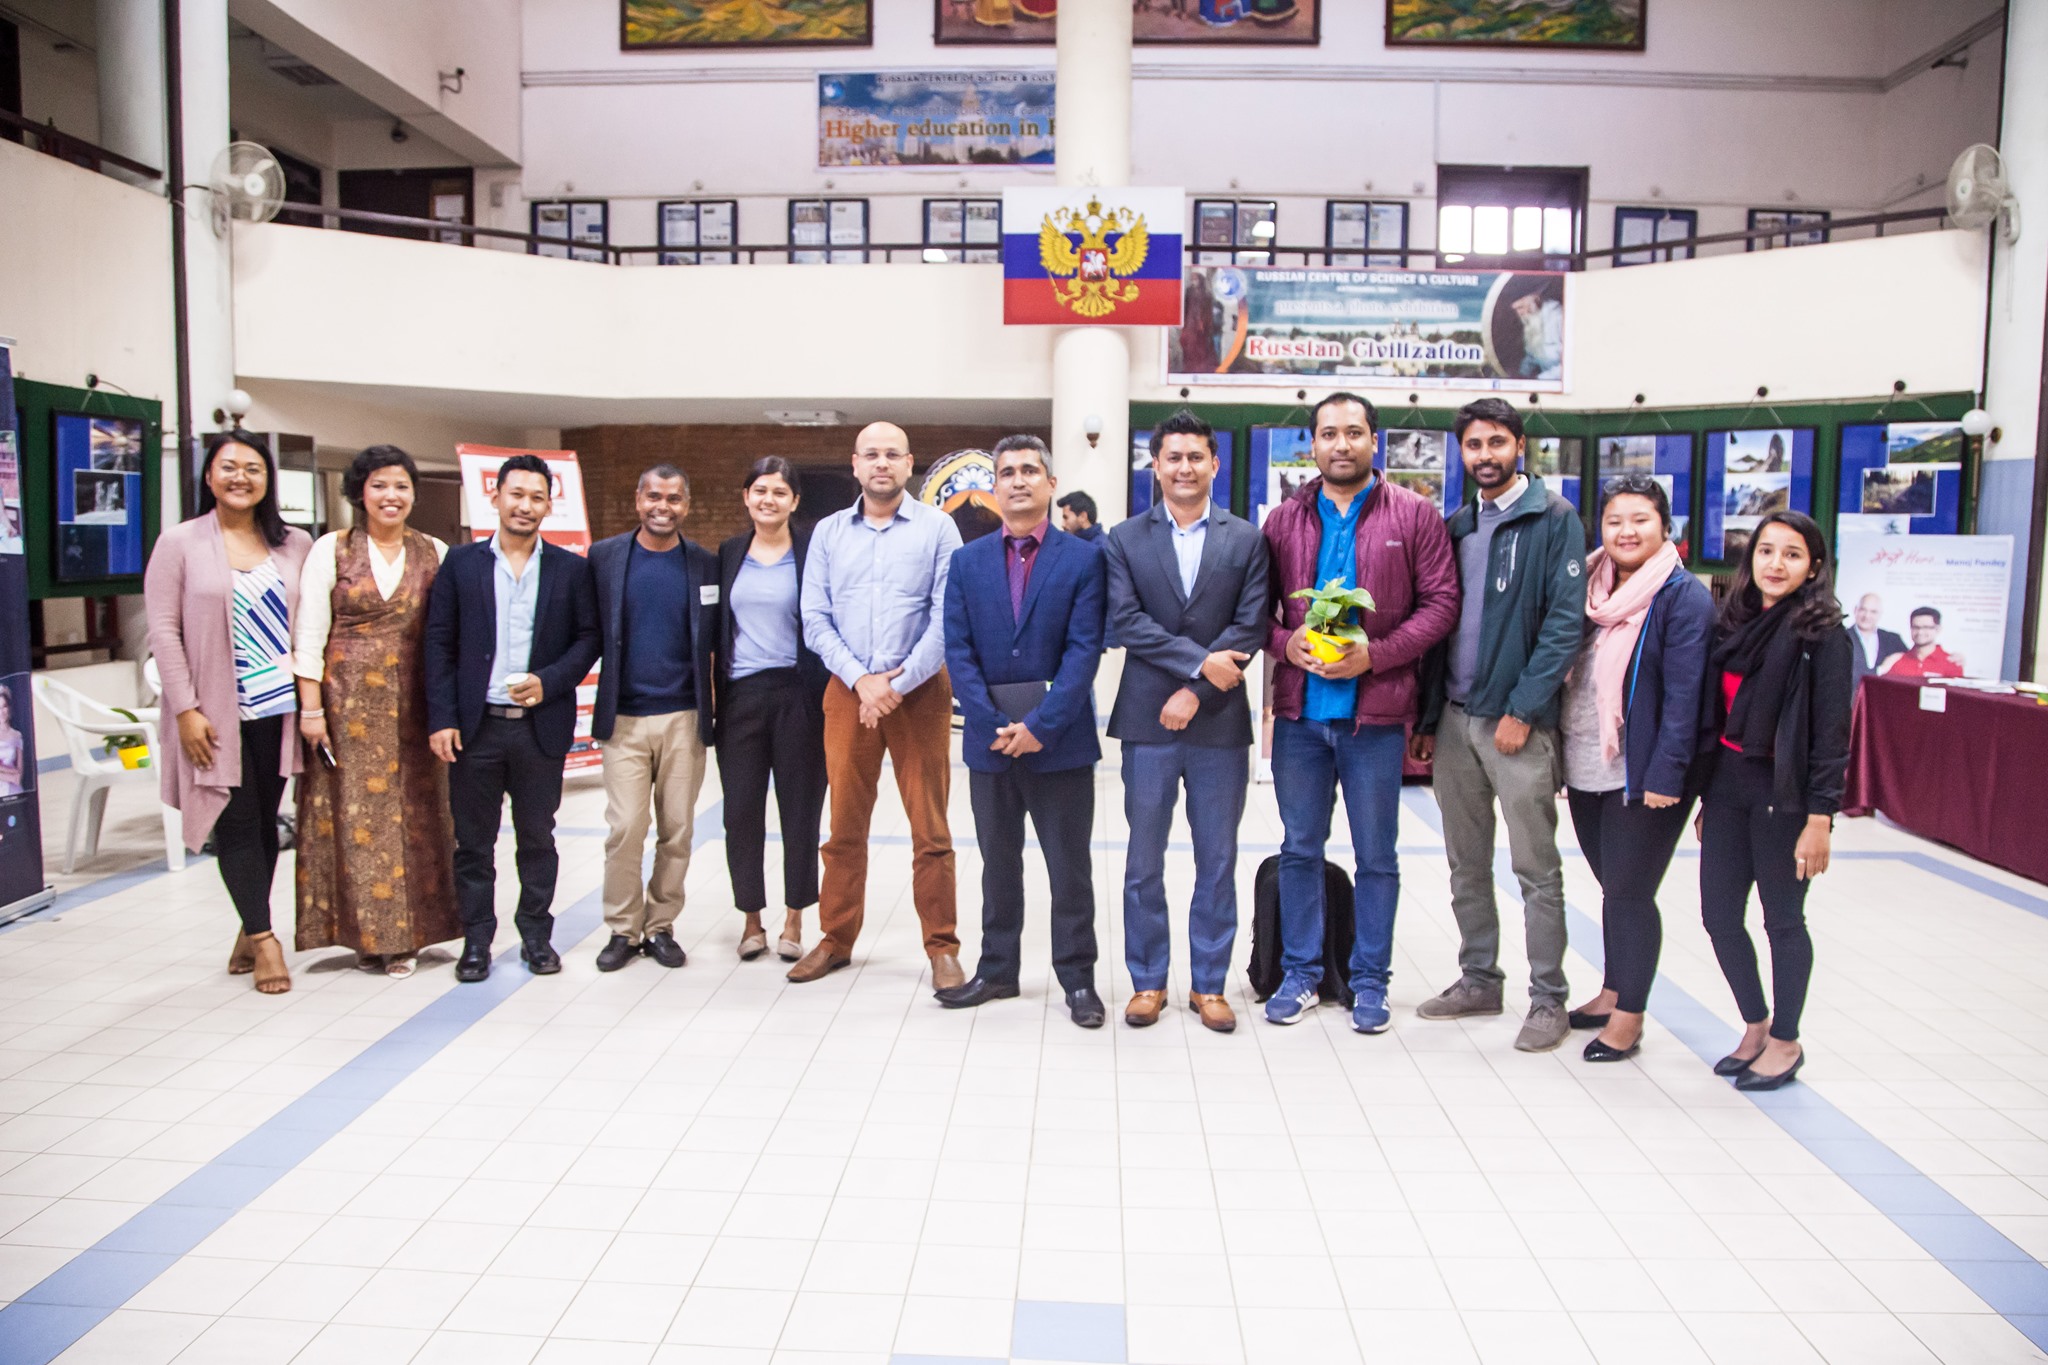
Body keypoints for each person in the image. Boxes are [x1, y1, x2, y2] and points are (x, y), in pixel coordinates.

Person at [1264, 393, 1459, 1032]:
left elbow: (1441, 604)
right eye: (1328, 434)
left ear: (1375, 441)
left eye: (1353, 432)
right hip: (1300, 718)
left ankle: (1371, 981)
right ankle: (1301, 973)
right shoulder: (1284, 520)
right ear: (1312, 445)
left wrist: (1375, 656)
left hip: (1374, 719)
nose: (1340, 444)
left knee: (1377, 855)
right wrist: (1284, 643)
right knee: (1299, 849)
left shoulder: (1415, 514)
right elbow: (1255, 612)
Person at [1413, 397, 1587, 1052]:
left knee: (1535, 867)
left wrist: (1522, 709)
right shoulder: (1458, 526)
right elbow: (1440, 624)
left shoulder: (1554, 519)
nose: (1485, 455)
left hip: (1516, 725)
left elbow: (1564, 625)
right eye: (1473, 445)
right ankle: (1479, 979)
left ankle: (1548, 998)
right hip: (1456, 721)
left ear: (1519, 444)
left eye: (1496, 442)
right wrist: (1430, 717)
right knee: (1465, 862)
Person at [1107, 408, 1270, 1032]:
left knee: (1217, 859)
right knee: (1143, 860)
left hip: (1219, 724)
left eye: (1195, 456)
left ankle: (1209, 984)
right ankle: (1147, 981)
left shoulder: (1246, 539)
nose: (1184, 467)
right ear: (1156, 466)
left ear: (1214, 464)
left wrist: (1197, 691)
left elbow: (1250, 626)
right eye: (1172, 457)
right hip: (1147, 720)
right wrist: (1201, 663)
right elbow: (1128, 621)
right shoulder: (1125, 539)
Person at [939, 435, 1108, 1027]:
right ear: (994, 486)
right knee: (998, 864)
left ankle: (1078, 979)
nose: (1018, 480)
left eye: (1030, 470)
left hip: (1060, 743)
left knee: (1070, 869)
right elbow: (958, 651)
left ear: (1050, 484)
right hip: (989, 743)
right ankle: (997, 970)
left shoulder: (1083, 560)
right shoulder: (966, 562)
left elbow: (1084, 651)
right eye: (1007, 471)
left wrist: (1040, 725)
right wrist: (992, 722)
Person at [796, 421, 965, 987]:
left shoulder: (938, 529)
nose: (882, 463)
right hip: (849, 694)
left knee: (931, 829)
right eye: (871, 454)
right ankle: (835, 938)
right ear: (855, 464)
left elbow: (947, 616)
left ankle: (942, 947)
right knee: (844, 824)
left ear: (910, 463)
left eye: (893, 454)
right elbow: (815, 618)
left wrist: (897, 684)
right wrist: (862, 681)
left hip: (920, 693)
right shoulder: (828, 533)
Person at [144, 433, 313, 995]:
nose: (241, 477)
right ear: (209, 476)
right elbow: (163, 631)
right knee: (235, 821)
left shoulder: (294, 543)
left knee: (265, 822)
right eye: (229, 467)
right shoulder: (180, 542)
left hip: (278, 710)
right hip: (215, 714)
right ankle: (265, 941)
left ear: (268, 479)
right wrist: (186, 709)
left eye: (253, 468)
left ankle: (248, 925)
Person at [425, 454, 601, 984]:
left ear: (549, 505)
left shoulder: (572, 569)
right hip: (475, 728)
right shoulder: (461, 564)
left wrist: (550, 680)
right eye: (516, 494)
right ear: (496, 498)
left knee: (538, 839)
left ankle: (536, 937)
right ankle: (476, 941)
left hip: (539, 727)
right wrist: (442, 717)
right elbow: (439, 643)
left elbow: (588, 639)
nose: (525, 505)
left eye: (536, 497)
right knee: (473, 843)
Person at [1558, 474, 1713, 1062]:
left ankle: (1629, 1018)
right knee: (1613, 888)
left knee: (1630, 892)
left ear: (1665, 527)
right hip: (1586, 762)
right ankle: (1612, 991)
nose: (1626, 531)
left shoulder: (1682, 597)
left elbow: (1685, 697)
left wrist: (1666, 777)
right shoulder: (1589, 585)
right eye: (1615, 520)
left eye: (1640, 519)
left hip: (1642, 773)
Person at [1697, 511, 1851, 1091]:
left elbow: (1832, 734)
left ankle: (1786, 1040)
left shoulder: (1824, 636)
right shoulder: (1734, 623)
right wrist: (1709, 797)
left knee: (1782, 921)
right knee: (1718, 917)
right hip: (1727, 786)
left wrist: (1820, 818)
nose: (1776, 564)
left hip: (1783, 797)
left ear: (1814, 566)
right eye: (1766, 551)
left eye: (1792, 554)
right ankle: (1755, 1023)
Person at [292, 445, 458, 978]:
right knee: (353, 822)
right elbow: (310, 634)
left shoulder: (435, 551)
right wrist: (311, 711)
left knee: (418, 818)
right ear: (359, 492)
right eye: (380, 485)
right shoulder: (332, 550)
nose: (391, 496)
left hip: (417, 709)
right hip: (347, 711)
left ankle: (410, 937)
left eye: (401, 486)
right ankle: (364, 936)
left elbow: (449, 633)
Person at [588, 465, 718, 973]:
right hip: (624, 719)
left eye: (674, 498)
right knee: (625, 828)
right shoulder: (604, 558)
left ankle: (660, 925)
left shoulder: (703, 564)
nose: (663, 507)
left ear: (687, 505)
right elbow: (585, 630)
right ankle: (623, 928)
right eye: (654, 497)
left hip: (684, 716)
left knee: (677, 829)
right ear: (638, 499)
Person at [716, 457, 829, 963]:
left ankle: (794, 917)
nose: (769, 499)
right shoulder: (728, 553)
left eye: (780, 492)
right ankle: (751, 919)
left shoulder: (812, 552)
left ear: (794, 501)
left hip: (799, 696)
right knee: (741, 813)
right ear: (746, 496)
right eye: (760, 490)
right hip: (741, 697)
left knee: (800, 811)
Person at [1878, 606, 1964, 679]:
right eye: (1916, 627)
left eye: (1926, 627)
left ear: (1938, 629)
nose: (1920, 632)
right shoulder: (1897, 661)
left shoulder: (1952, 663)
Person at [1846, 593, 1906, 687]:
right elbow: (1846, 676)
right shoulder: (1842, 638)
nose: (1867, 616)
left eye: (1873, 612)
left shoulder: (1892, 639)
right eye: (1863, 610)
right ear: (1855, 610)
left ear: (1880, 614)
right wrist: (1880, 670)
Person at [0, 683, 24, 796]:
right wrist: (10, 774)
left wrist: (13, 775)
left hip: (13, 789)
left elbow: (19, 773)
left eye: (4, 706)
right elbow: (14, 774)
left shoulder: (16, 735)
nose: (1, 712)